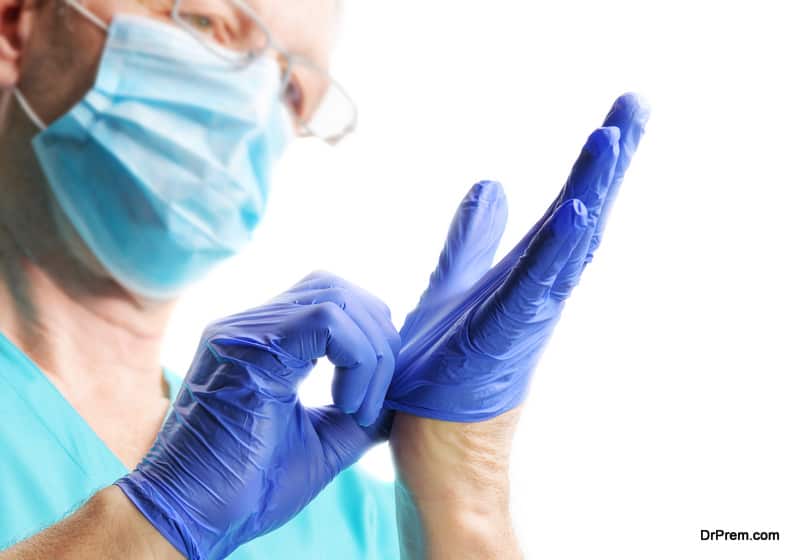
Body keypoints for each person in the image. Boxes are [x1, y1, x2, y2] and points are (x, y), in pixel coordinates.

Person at [0, 1, 649, 559]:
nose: (250, 104)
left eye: (292, 90)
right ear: (15, 24)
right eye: (206, 22)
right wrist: (151, 523)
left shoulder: (353, 520)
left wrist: (463, 491)